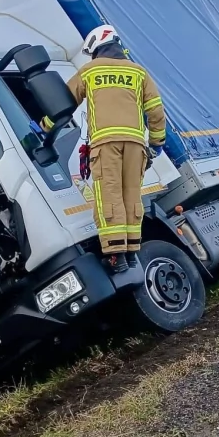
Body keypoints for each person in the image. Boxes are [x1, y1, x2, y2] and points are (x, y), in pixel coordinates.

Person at [46, 25, 166, 273]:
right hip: (135, 145)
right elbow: (155, 110)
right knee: (131, 196)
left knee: (108, 196)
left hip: (106, 144)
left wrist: (45, 125)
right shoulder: (139, 73)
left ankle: (115, 257)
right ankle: (132, 252)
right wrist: (156, 145)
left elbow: (64, 102)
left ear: (96, 48)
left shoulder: (90, 70)